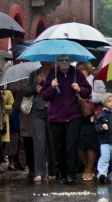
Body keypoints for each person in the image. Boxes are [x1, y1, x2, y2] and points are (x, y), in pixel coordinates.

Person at [41, 55, 92, 184]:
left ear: (70, 61)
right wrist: (51, 87)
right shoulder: (52, 73)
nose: (64, 62)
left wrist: (79, 89)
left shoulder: (77, 73)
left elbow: (87, 91)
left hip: (74, 115)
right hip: (56, 117)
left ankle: (71, 174)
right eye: (61, 60)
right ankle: (63, 174)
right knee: (59, 146)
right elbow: (45, 95)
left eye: (67, 60)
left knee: (71, 145)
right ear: (57, 62)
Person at [22, 63, 56, 182]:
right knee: (39, 141)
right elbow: (26, 92)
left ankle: (52, 171)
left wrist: (48, 89)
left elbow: (61, 93)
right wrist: (36, 82)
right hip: (36, 111)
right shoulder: (34, 74)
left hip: (53, 110)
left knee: (52, 142)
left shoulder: (57, 74)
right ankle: (39, 172)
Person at [76, 62, 104, 181]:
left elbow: (104, 96)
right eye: (78, 69)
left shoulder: (95, 80)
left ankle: (89, 169)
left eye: (83, 68)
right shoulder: (74, 81)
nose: (81, 70)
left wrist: (88, 94)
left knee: (90, 144)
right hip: (77, 114)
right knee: (78, 144)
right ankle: (86, 166)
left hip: (91, 115)